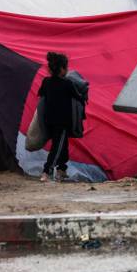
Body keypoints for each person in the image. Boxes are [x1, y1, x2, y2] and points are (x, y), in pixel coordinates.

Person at [38, 52, 81, 182]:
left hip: (48, 120)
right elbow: (79, 96)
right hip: (61, 122)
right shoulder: (67, 84)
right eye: (66, 68)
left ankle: (62, 170)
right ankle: (47, 171)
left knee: (63, 146)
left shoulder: (46, 81)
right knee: (57, 147)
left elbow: (41, 94)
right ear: (62, 69)